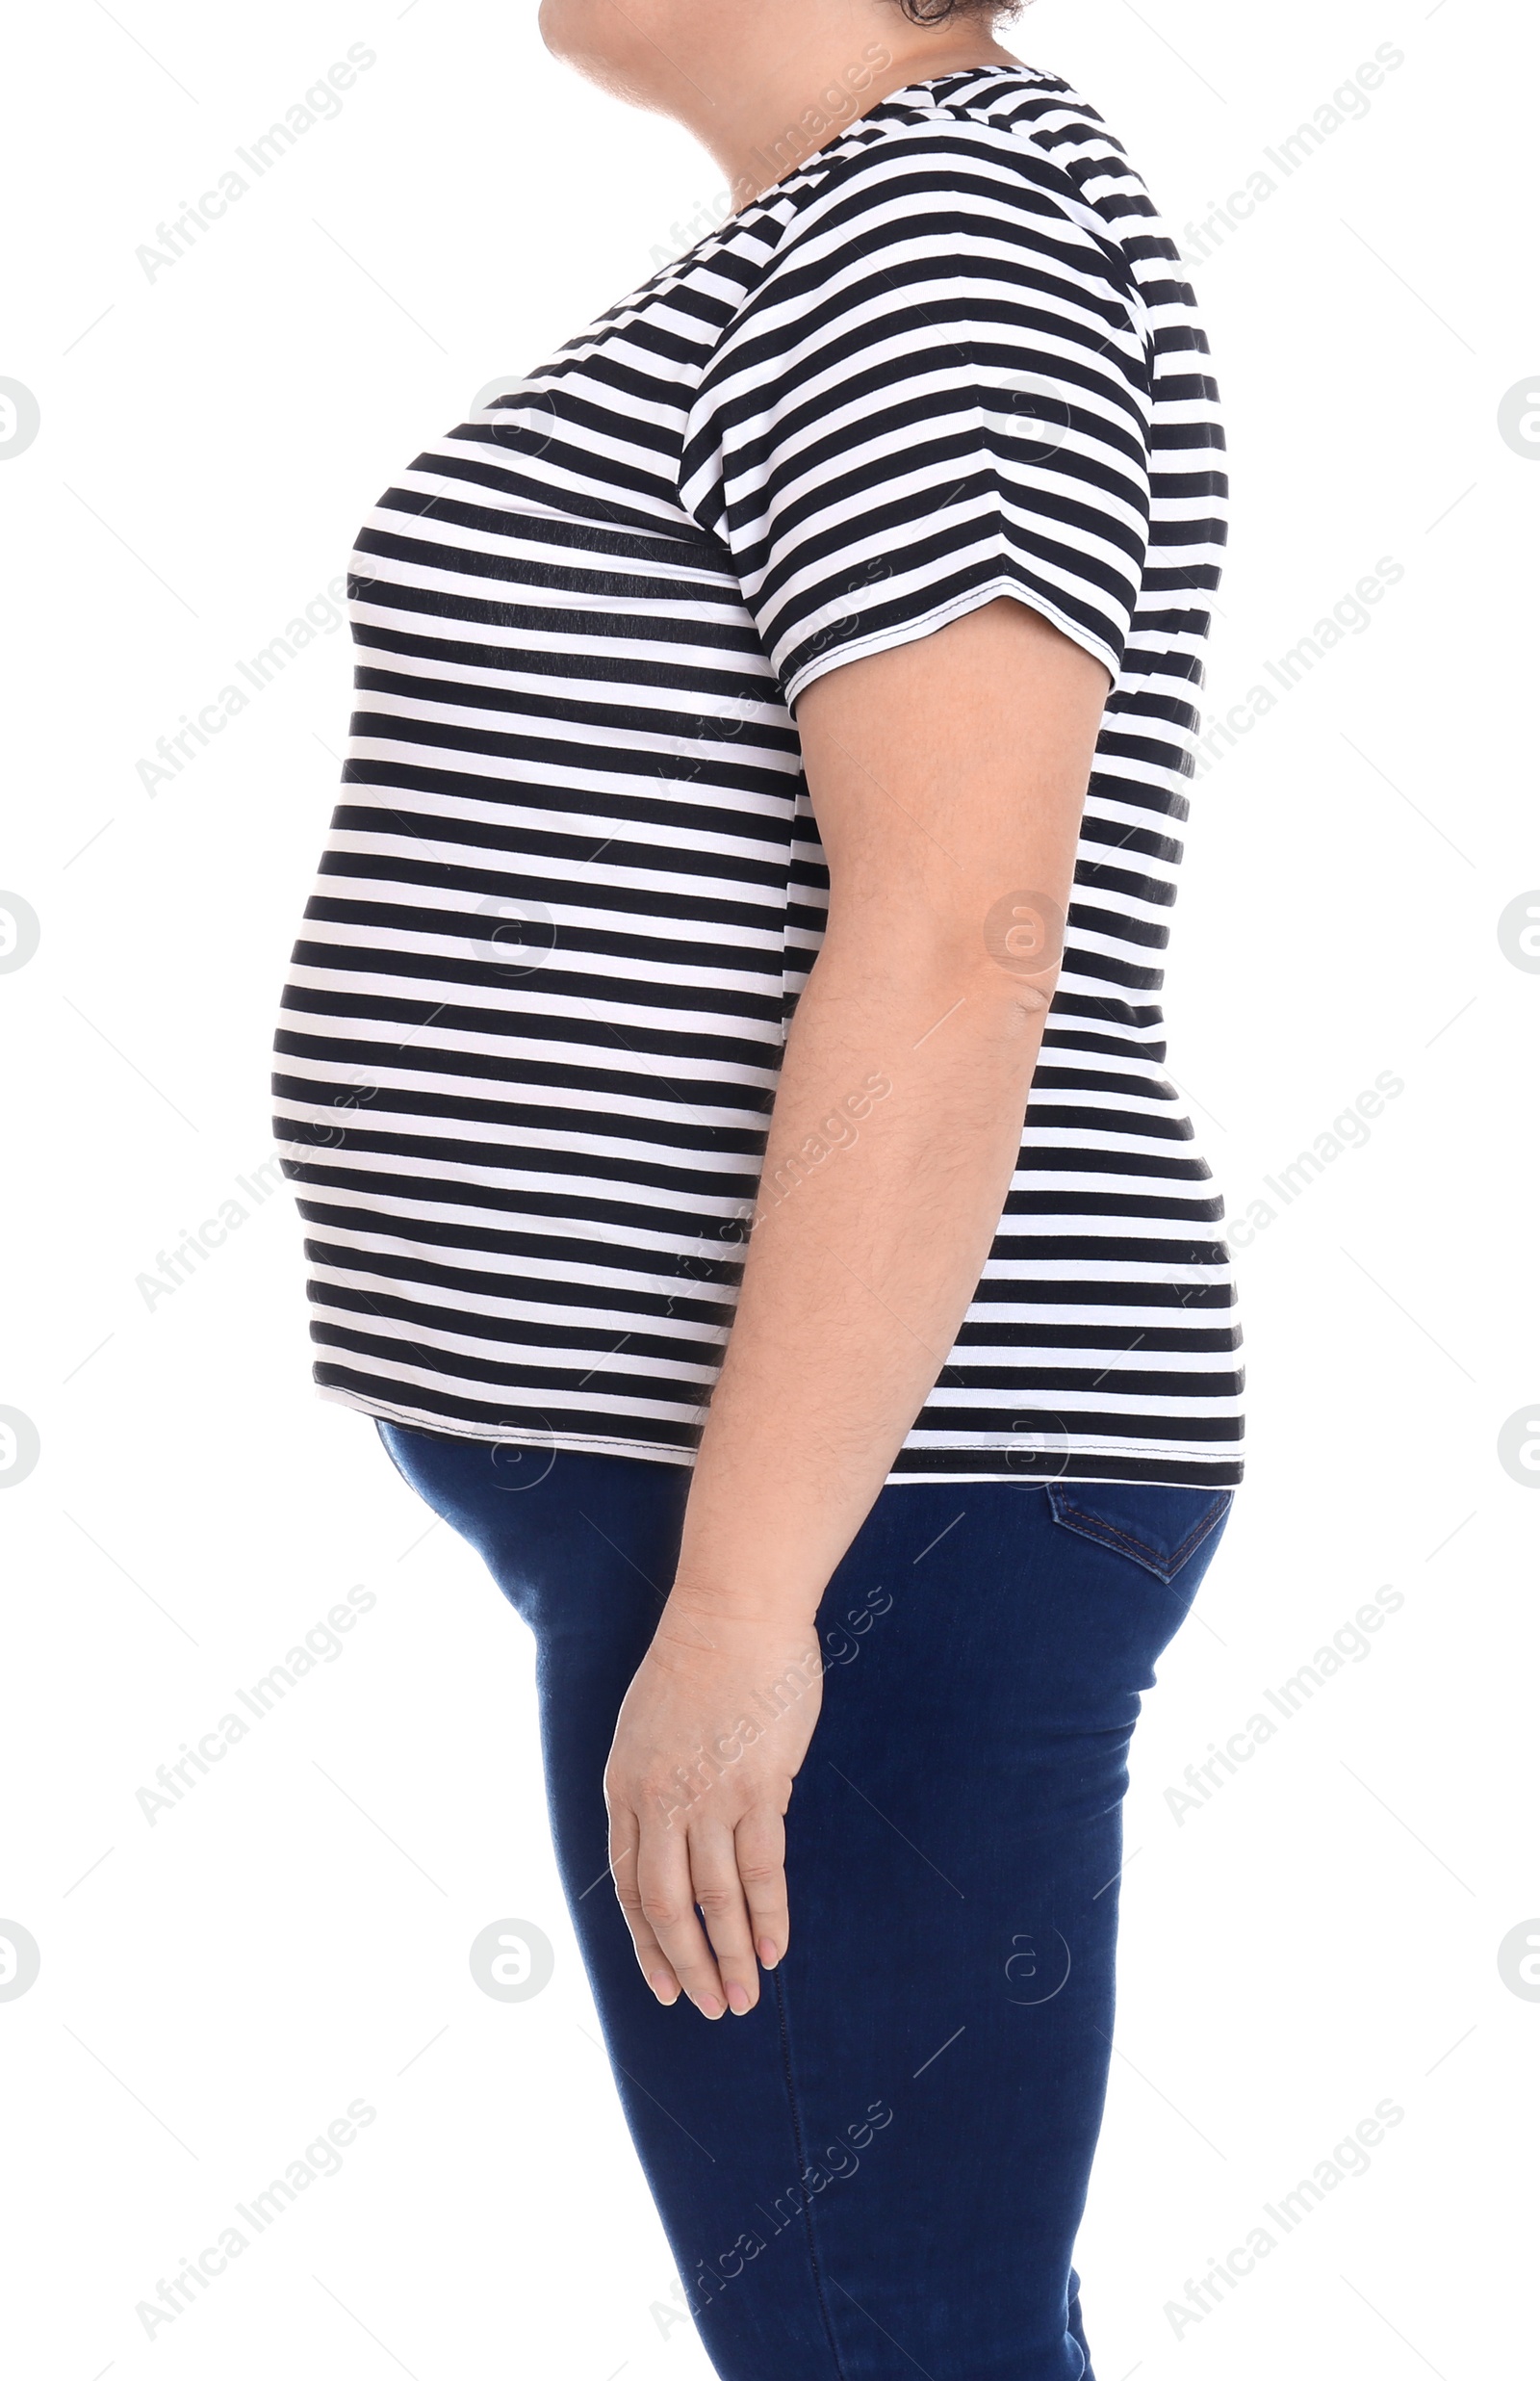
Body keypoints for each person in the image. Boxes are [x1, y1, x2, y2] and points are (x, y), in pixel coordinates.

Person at [271, 0, 1244, 2370]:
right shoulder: (840, 233)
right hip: (805, 1511)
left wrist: (740, 1605)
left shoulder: (942, 227)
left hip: (871, 1506)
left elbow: (953, 926)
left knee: (882, 2333)